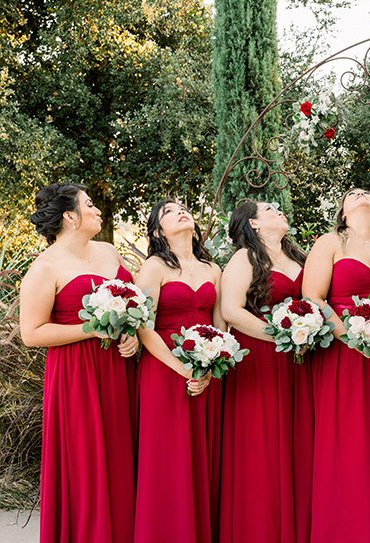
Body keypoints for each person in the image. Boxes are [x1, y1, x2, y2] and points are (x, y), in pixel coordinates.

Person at [19, 182, 139, 543]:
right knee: (87, 463)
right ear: (70, 217)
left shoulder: (108, 250)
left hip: (121, 367)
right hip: (77, 374)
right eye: (89, 204)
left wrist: (130, 331)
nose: (98, 209)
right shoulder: (45, 267)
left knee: (122, 457)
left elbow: (131, 303)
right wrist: (92, 330)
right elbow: (32, 332)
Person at [302, 187, 370, 542]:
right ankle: (342, 525)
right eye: (352, 194)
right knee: (345, 437)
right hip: (342, 354)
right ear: (343, 212)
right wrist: (351, 337)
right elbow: (312, 296)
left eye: (366, 192)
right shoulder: (330, 243)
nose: (360, 194)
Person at [134, 199, 224, 543]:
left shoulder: (212, 268)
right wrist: (180, 369)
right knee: (167, 460)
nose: (181, 212)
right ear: (158, 231)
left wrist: (210, 368)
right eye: (169, 212)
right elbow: (144, 326)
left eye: (183, 208)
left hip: (205, 373)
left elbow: (220, 326)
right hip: (164, 371)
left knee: (201, 458)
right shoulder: (154, 266)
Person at [219, 200, 306, 543]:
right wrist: (280, 335)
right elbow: (230, 309)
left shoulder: (300, 256)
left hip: (299, 360)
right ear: (253, 224)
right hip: (260, 358)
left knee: (296, 441)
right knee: (264, 446)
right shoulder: (245, 259)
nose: (279, 211)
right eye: (269, 209)